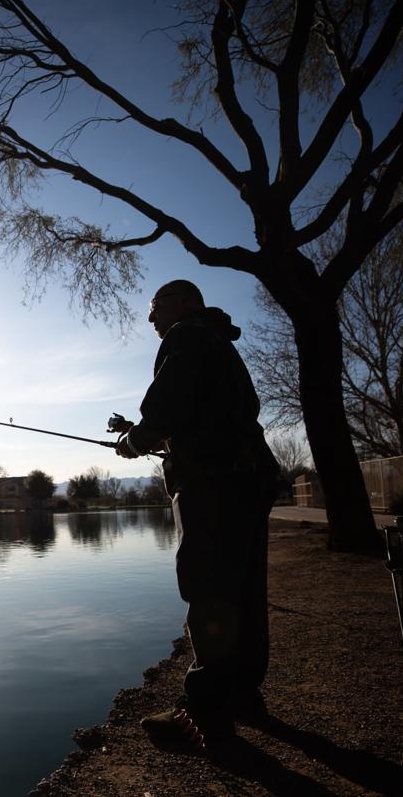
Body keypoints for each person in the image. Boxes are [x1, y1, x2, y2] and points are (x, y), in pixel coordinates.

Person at [116, 279, 278, 750]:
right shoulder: (216, 342)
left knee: (207, 585)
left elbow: (167, 406)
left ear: (183, 302)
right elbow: (200, 416)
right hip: (247, 477)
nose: (151, 319)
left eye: (155, 307)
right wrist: (154, 436)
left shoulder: (186, 335)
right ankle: (243, 695)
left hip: (213, 483)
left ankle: (204, 714)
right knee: (243, 587)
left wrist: (135, 440)